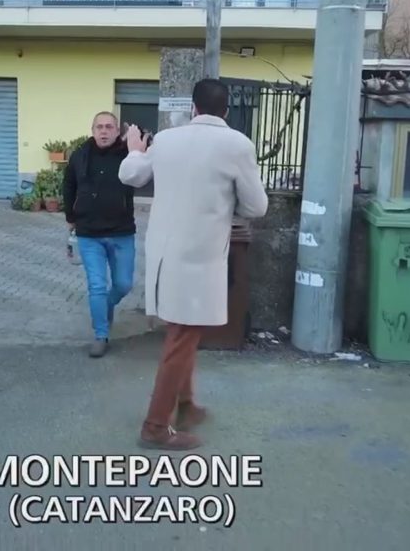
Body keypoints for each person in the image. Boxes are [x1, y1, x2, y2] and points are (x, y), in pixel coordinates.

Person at [119, 79, 269, 450]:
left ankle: (185, 406)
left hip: (163, 254)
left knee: (184, 331)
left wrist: (135, 150)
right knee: (183, 336)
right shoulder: (237, 144)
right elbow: (257, 207)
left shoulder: (167, 139)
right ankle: (155, 426)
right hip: (200, 257)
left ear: (193, 108)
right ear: (226, 110)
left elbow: (131, 175)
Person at [63, 111, 137, 358]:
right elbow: (69, 186)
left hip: (122, 231)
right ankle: (101, 335)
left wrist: (136, 137)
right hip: (89, 233)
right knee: (96, 285)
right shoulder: (80, 155)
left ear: (117, 131)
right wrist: (70, 218)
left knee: (123, 284)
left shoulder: (129, 154)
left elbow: (148, 153)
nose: (104, 131)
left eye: (109, 127)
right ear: (92, 130)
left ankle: (106, 305)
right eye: (99, 127)